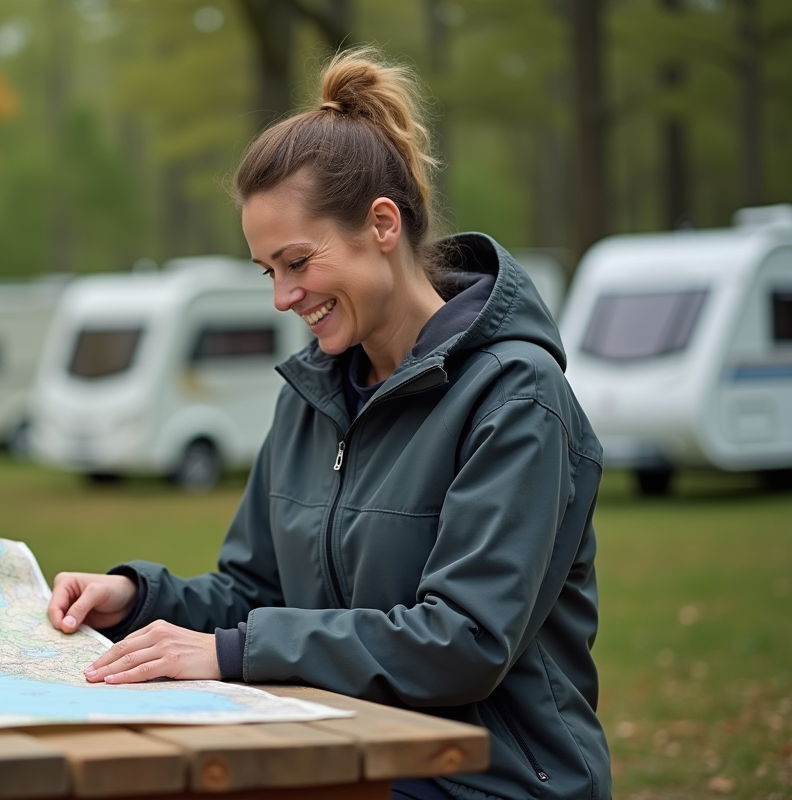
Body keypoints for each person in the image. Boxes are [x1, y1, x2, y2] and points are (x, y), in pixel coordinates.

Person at [47, 47, 611, 800]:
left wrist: (234, 652)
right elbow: (254, 592)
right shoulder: (311, 396)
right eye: (268, 271)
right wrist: (138, 598)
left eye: (296, 262)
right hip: (338, 757)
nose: (282, 297)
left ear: (382, 224)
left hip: (490, 781)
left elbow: (464, 642)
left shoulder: (515, 398)